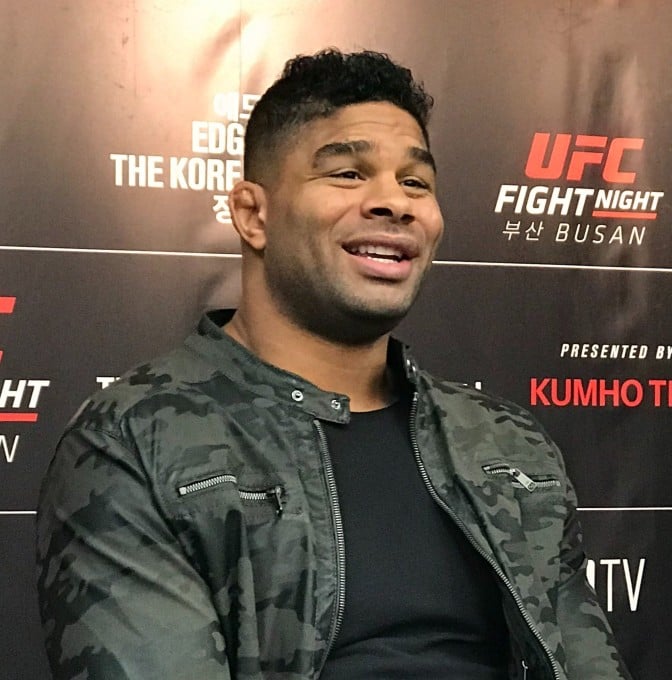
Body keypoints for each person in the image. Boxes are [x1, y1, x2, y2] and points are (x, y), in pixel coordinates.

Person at [35, 49, 632, 680]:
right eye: (348, 174)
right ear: (252, 215)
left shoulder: (512, 449)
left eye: (416, 182)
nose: (394, 203)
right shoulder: (132, 444)